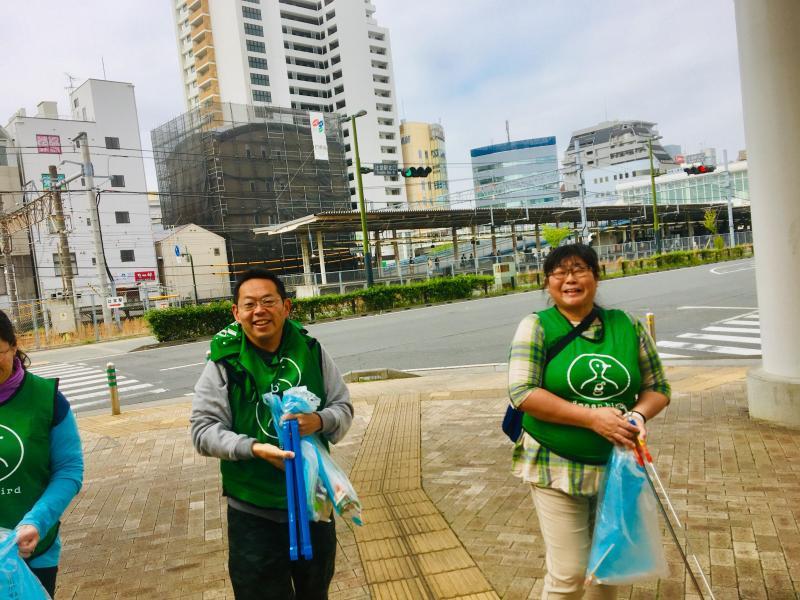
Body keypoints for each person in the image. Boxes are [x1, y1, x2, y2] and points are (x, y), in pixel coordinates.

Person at [507, 244, 670, 599]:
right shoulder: (536, 326)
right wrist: (592, 419)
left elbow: (658, 387)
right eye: (559, 272)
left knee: (607, 568)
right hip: (554, 464)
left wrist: (639, 414)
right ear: (547, 282)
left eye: (579, 269)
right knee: (568, 574)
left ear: (596, 276)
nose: (569, 279)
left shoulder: (626, 325)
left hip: (616, 467)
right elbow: (522, 392)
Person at [191, 268, 354, 600]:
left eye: (268, 301)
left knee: (315, 592)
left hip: (314, 503)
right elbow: (203, 430)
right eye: (249, 304)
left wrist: (319, 421)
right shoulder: (224, 362)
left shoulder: (311, 350)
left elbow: (343, 407)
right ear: (236, 312)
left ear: (286, 307)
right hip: (253, 512)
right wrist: (254, 449)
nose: (259, 311)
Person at [0, 310, 84, 597]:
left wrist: (36, 520)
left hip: (33, 550)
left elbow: (69, 470)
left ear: (13, 346)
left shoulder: (47, 400)